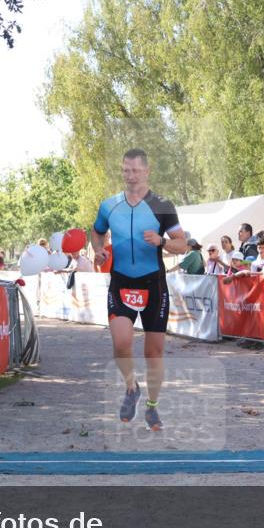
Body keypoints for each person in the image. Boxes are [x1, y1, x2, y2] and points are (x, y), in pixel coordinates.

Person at [90, 148, 187, 430]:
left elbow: (182, 244)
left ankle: (152, 408)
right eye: (126, 170)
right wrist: (98, 250)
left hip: (154, 284)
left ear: (147, 171)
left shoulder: (162, 205)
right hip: (121, 281)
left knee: (153, 353)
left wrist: (161, 241)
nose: (130, 175)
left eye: (135, 170)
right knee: (121, 343)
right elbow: (96, 232)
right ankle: (131, 388)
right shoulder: (109, 206)